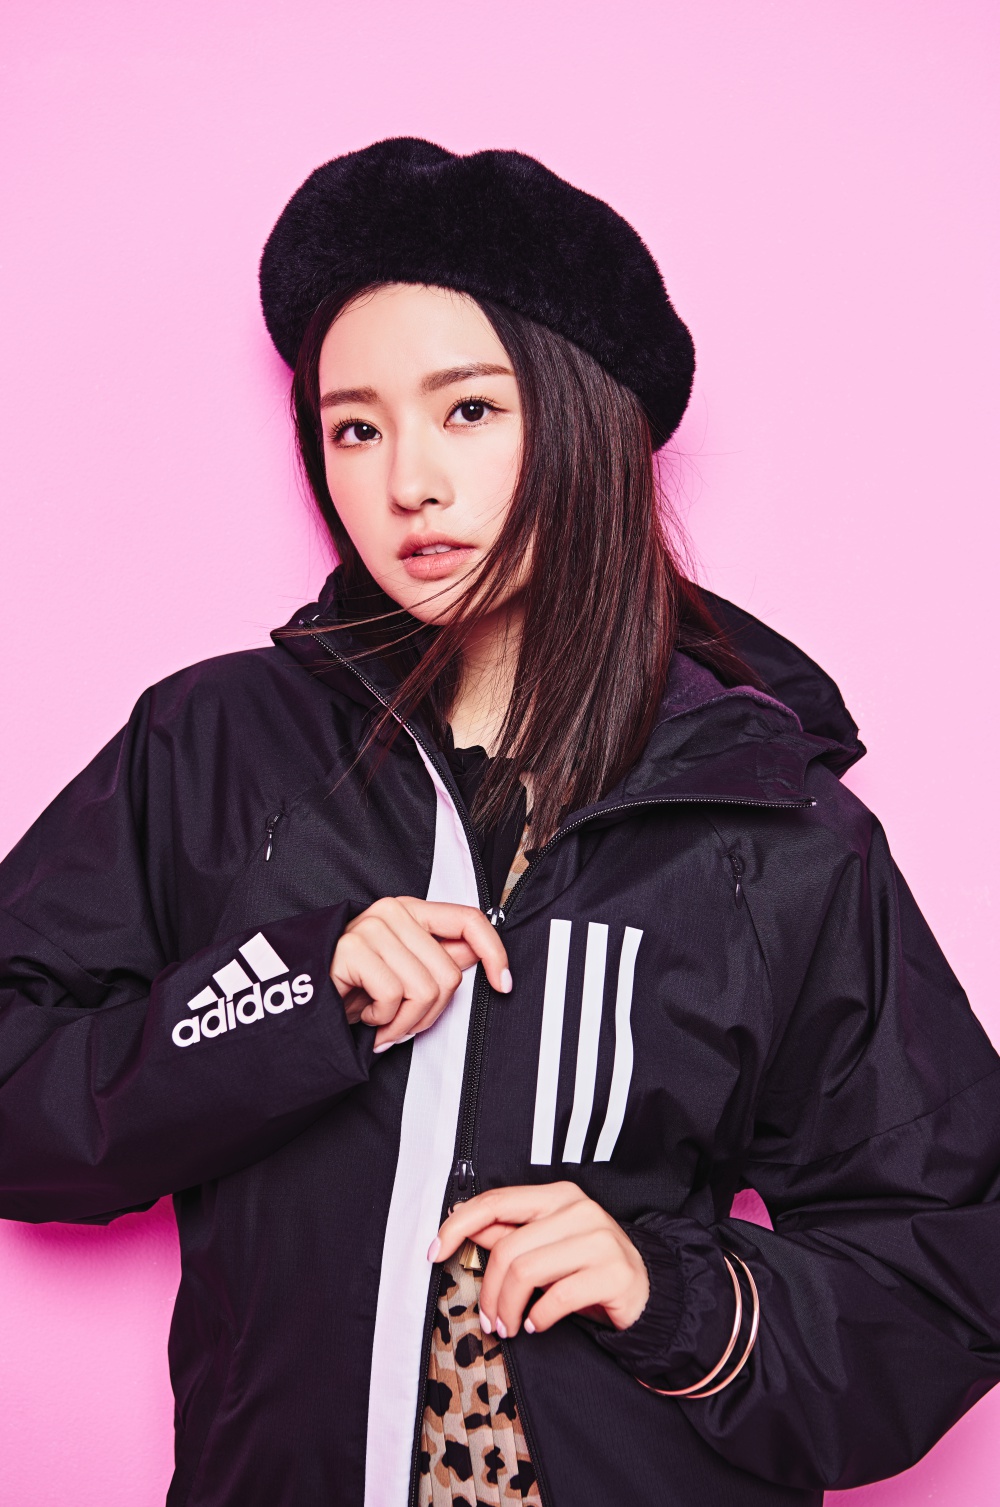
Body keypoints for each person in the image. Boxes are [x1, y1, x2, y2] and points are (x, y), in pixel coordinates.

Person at [1, 138, 998, 1507]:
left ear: (588, 423)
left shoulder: (769, 820)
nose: (406, 481)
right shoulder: (215, 748)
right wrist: (290, 990)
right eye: (355, 428)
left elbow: (945, 1257)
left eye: (468, 410)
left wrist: (681, 1299)